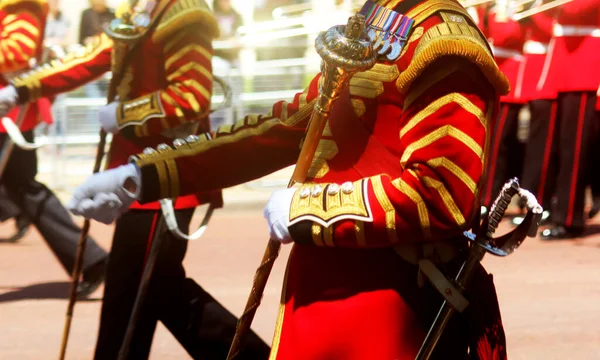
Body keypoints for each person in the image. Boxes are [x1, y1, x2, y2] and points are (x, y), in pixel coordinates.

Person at [67, 0, 513, 358]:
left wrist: (307, 210)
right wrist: (143, 177)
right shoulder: (378, 18)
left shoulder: (443, 38)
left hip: (392, 312)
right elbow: (289, 125)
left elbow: (441, 193)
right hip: (324, 298)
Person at [0, 0, 270, 359]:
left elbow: (191, 97)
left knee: (139, 292)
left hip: (167, 179)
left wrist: (124, 114)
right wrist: (23, 90)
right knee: (144, 294)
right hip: (135, 179)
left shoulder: (184, 12)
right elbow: (92, 57)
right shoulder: (143, 8)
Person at [0, 0, 107, 298]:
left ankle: (90, 258)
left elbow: (17, 53)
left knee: (24, 188)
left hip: (6, 113)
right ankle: (90, 258)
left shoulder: (21, 6)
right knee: (23, 188)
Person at [535, 0, 600, 239]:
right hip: (566, 65)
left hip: (584, 65)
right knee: (562, 149)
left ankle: (571, 219)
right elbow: (549, 21)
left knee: (573, 151)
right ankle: (560, 209)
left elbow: (576, 8)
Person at [511, 4, 556, 226]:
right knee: (533, 145)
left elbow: (553, 31)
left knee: (543, 147)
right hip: (532, 73)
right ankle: (530, 201)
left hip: (549, 73)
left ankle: (541, 202)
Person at [481, 5, 526, 213]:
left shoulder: (515, 7)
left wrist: (501, 13)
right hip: (488, 77)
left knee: (497, 147)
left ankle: (488, 199)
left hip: (509, 78)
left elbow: (503, 36)